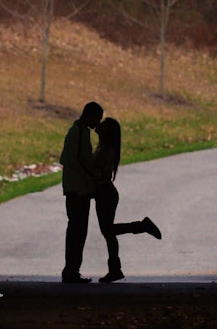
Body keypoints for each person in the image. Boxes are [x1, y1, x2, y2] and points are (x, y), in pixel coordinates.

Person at [92, 117, 162, 283]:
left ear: (108, 132)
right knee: (108, 233)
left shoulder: (106, 150)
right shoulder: (104, 148)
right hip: (104, 192)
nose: (99, 125)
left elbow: (95, 171)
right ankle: (115, 269)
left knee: (108, 231)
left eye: (104, 125)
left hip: (104, 192)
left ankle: (141, 226)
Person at [59, 101, 103, 283]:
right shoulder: (78, 132)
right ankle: (71, 271)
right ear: (90, 115)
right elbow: (75, 160)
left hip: (79, 189)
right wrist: (93, 174)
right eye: (97, 118)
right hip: (77, 190)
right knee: (77, 231)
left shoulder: (81, 132)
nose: (98, 123)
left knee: (78, 230)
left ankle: (73, 270)